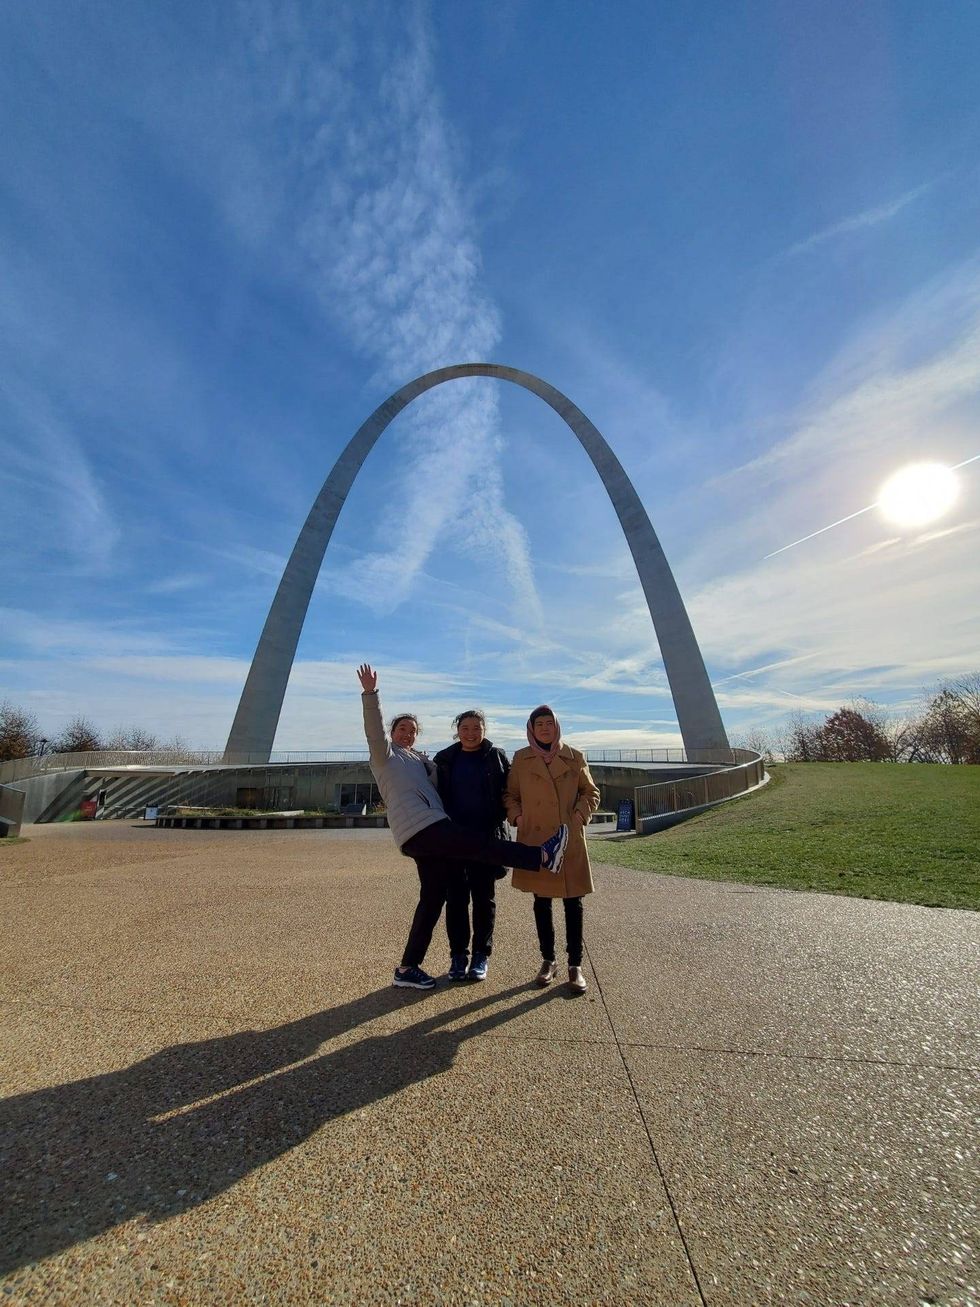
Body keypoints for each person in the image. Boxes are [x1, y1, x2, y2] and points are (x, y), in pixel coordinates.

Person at [357, 665, 568, 990]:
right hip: (426, 829)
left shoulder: (421, 760)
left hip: (424, 836)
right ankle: (541, 856)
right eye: (401, 729)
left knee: (433, 898)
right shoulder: (385, 755)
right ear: (392, 732)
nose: (407, 734)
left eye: (412, 731)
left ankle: (407, 967)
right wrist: (371, 694)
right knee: (478, 847)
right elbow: (374, 731)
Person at [505, 705, 600, 994]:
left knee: (574, 902)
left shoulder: (574, 756)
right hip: (536, 840)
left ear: (557, 726)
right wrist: (519, 817)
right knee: (541, 902)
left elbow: (591, 792)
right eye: (539, 724)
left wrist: (579, 817)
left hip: (567, 837)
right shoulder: (521, 758)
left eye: (549, 723)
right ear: (531, 729)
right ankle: (548, 960)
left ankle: (575, 965)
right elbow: (510, 795)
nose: (545, 728)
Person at [434, 710, 510, 983]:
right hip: (454, 839)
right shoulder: (444, 759)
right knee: (455, 900)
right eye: (465, 727)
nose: (470, 732)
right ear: (457, 730)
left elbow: (510, 792)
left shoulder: (497, 756)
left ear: (484, 729)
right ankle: (458, 956)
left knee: (483, 899)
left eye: (476, 727)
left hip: (486, 838)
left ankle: (481, 955)